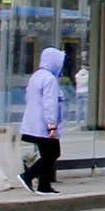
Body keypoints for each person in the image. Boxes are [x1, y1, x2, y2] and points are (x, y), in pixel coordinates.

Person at [21, 47, 66, 193]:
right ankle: (28, 176)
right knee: (53, 153)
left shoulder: (36, 76)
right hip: (44, 125)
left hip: (34, 123)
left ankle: (44, 186)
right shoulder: (50, 79)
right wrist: (51, 125)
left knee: (47, 154)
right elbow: (50, 103)